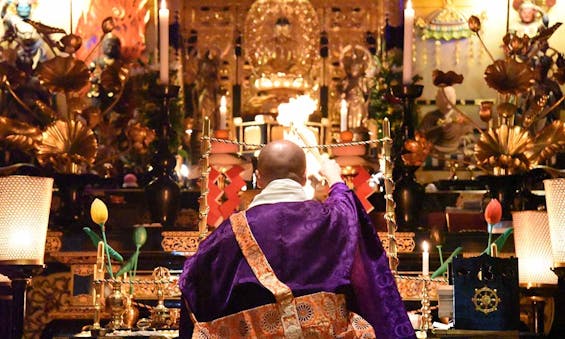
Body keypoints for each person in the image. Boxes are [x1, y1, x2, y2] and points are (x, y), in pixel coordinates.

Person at [178, 140, 415, 338]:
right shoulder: (330, 220)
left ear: (259, 179)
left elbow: (193, 280)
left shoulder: (228, 232)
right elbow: (348, 209)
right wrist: (335, 178)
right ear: (303, 178)